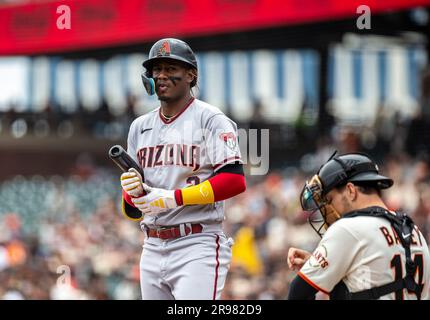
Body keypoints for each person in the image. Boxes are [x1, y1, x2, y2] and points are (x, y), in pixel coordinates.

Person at [119, 38, 246, 300]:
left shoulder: (210, 119)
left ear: (191, 74)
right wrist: (131, 191)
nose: (162, 75)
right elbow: (132, 210)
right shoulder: (139, 127)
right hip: (152, 244)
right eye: (157, 70)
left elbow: (234, 181)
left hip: (196, 242)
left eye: (170, 68)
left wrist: (171, 198)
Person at [287, 152, 430, 300]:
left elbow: (297, 293)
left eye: (330, 200)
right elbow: (376, 284)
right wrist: (320, 266)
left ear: (350, 190)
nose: (328, 209)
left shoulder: (347, 228)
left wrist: (313, 271)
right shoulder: (413, 229)